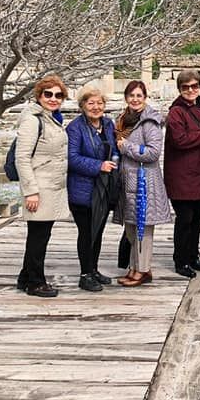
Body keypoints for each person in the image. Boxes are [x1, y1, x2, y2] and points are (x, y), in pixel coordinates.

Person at [112, 80, 173, 287]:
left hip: (144, 182)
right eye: (131, 95)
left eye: (139, 95)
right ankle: (134, 267)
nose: (135, 99)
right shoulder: (123, 120)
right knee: (131, 228)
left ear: (145, 98)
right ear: (126, 98)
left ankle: (143, 270)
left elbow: (153, 153)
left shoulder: (149, 122)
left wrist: (127, 147)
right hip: (127, 179)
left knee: (143, 229)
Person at [15, 75, 70, 298]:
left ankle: (25, 277)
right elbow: (22, 158)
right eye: (48, 94)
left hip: (51, 186)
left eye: (58, 95)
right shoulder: (32, 121)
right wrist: (31, 191)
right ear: (39, 96)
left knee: (40, 235)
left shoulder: (52, 118)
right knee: (38, 237)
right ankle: (36, 282)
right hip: (39, 188)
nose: (53, 98)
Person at [67, 86, 119, 293]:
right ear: (82, 105)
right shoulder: (75, 127)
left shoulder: (108, 123)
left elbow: (113, 148)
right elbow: (71, 158)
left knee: (98, 231)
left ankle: (94, 269)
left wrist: (115, 159)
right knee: (87, 232)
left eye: (99, 103)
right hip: (83, 189)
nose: (96, 107)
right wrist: (99, 166)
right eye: (91, 103)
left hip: (103, 188)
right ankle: (85, 274)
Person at [164, 69, 200, 278]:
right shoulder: (176, 112)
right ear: (179, 89)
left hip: (199, 172)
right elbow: (180, 140)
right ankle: (181, 260)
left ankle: (193, 256)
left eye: (194, 86)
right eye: (185, 87)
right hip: (181, 173)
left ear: (199, 87)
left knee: (198, 216)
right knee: (185, 218)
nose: (190, 90)